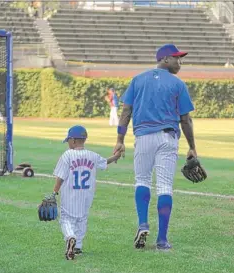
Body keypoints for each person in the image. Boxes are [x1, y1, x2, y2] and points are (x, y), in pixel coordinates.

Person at [113, 44, 198, 251]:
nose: (180, 62)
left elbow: (126, 111)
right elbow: (185, 119)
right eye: (178, 58)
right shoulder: (178, 84)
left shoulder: (138, 79)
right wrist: (192, 147)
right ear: (165, 59)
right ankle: (162, 240)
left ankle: (143, 223)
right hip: (167, 138)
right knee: (165, 187)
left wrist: (119, 140)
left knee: (142, 180)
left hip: (143, 137)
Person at [51, 125, 121, 260]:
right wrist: (116, 155)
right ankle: (77, 246)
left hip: (70, 195)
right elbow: (105, 162)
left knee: (66, 219)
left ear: (73, 140)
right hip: (86, 196)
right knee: (82, 219)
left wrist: (54, 192)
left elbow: (60, 177)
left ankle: (70, 237)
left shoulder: (67, 155)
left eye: (69, 141)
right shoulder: (92, 155)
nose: (68, 143)